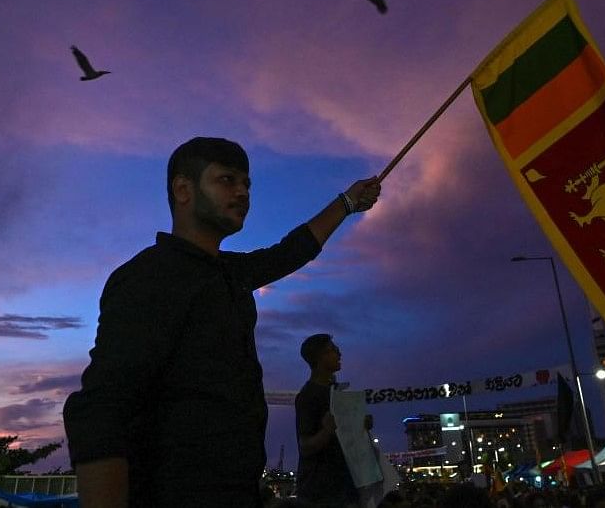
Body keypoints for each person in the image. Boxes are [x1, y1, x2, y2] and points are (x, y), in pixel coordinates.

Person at [63, 136, 381, 508]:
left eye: (247, 183)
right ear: (183, 189)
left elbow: (290, 252)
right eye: (227, 180)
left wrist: (346, 203)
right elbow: (103, 408)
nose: (243, 192)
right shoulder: (148, 277)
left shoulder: (230, 272)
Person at [294, 333, 372, 507]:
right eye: (333, 350)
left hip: (343, 487)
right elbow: (305, 446)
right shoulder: (308, 396)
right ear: (319, 358)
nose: (339, 353)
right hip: (321, 492)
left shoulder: (335, 393)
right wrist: (328, 430)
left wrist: (360, 426)